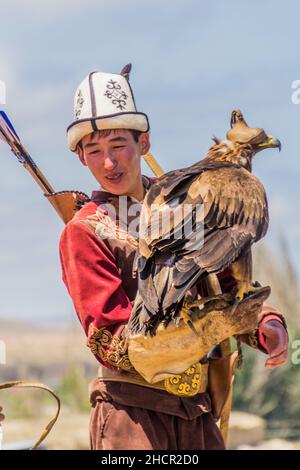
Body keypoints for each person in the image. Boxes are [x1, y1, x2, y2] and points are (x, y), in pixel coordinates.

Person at [59, 65, 289, 450]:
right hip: (132, 418)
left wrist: (263, 324)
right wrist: (209, 329)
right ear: (82, 158)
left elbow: (224, 283)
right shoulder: (83, 232)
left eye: (119, 145)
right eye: (94, 151)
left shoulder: (183, 208)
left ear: (144, 143)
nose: (109, 163)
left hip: (197, 411)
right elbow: (111, 345)